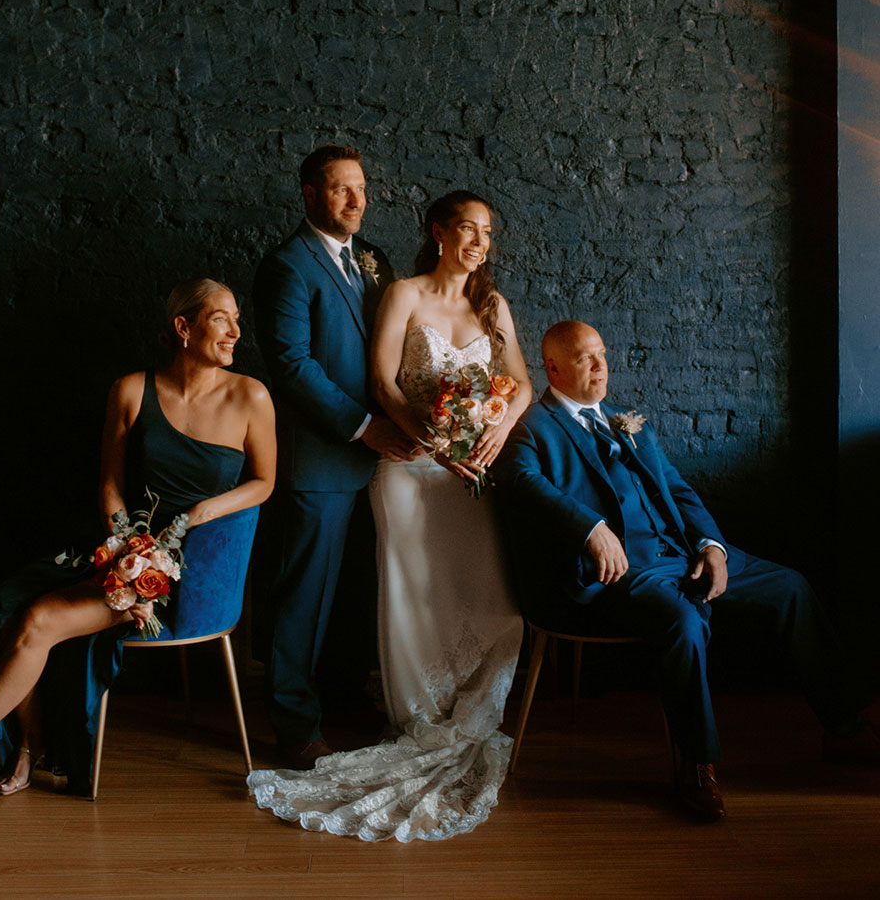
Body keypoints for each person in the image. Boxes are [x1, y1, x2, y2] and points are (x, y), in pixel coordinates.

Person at [0, 279, 275, 808]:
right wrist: (124, 549)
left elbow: (264, 482)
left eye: (237, 319)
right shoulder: (130, 389)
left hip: (191, 568)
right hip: (121, 547)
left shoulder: (250, 395)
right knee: (9, 604)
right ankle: (26, 745)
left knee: (38, 621)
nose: (236, 331)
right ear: (183, 328)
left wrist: (200, 513)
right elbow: (110, 484)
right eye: (221, 318)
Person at [493, 319, 879, 822]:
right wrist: (590, 528)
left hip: (681, 551)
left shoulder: (623, 420)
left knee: (790, 587)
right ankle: (698, 765)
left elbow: (678, 490)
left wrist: (711, 545)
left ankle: (843, 728)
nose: (601, 365)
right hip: (626, 571)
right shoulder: (534, 426)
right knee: (685, 622)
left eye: (602, 354)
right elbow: (518, 480)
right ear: (553, 367)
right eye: (587, 358)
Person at [249, 190, 532, 842]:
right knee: (415, 595)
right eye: (468, 228)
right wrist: (434, 441)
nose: (480, 242)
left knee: (489, 595)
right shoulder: (402, 291)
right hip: (410, 468)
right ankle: (416, 710)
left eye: (488, 232)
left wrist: (490, 435)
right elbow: (384, 384)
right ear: (438, 232)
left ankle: (473, 709)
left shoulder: (493, 306)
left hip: (474, 472)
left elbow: (517, 382)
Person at [253, 144, 413, 770]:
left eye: (362, 189)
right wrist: (364, 427)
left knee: (354, 589)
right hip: (322, 460)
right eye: (342, 189)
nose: (356, 201)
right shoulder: (287, 266)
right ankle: (295, 725)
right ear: (310, 195)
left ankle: (345, 697)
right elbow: (292, 365)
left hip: (385, 461)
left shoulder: (373, 263)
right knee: (304, 596)